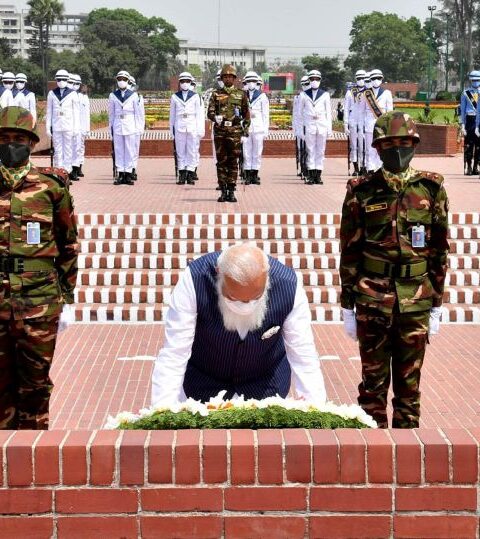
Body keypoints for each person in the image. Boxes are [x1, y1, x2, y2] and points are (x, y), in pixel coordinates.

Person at [339, 111, 450, 429]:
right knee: (371, 389)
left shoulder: (431, 189)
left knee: (409, 389)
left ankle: (407, 452)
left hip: (416, 300)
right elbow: (350, 251)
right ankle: (372, 453)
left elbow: (439, 250)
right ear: (377, 148)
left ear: (414, 145)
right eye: (389, 144)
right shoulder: (362, 191)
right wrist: (348, 305)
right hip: (373, 298)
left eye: (404, 143)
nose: (397, 150)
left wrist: (436, 304)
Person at [151, 242, 327, 406]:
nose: (246, 306)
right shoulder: (194, 279)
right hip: (203, 390)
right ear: (219, 273)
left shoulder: (289, 285)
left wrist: (316, 408)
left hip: (267, 391)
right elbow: (175, 352)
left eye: (255, 298)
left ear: (267, 278)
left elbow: (303, 354)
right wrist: (162, 409)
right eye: (233, 298)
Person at [0, 106, 78, 430]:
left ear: (32, 143)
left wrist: (66, 298)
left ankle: (33, 451)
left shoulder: (51, 186)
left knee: (35, 384)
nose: (11, 145)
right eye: (4, 138)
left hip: (39, 300)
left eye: (19, 139)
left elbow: (68, 245)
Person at [207, 64, 250, 202]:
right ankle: (223, 190)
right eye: (225, 77)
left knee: (233, 162)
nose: (227, 79)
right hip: (220, 132)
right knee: (221, 162)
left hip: (235, 132)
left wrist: (245, 132)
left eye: (230, 77)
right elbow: (210, 112)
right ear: (222, 78)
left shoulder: (241, 94)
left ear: (234, 78)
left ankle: (231, 190)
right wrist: (215, 117)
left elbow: (246, 114)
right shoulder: (216, 94)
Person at [169, 71, 205, 185]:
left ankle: (190, 173)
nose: (185, 83)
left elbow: (199, 115)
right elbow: (172, 115)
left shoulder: (195, 96)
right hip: (179, 125)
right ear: (180, 83)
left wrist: (200, 129)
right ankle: (182, 173)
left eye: (187, 81)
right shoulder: (175, 97)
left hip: (192, 125)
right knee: (180, 151)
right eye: (183, 81)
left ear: (190, 82)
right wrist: (171, 130)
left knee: (192, 150)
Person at [298, 69, 332, 185]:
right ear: (309, 80)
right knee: (310, 150)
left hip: (321, 125)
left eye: (317, 79)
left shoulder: (325, 95)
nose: (314, 81)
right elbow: (299, 114)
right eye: (312, 79)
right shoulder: (303, 95)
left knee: (321, 151)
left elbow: (328, 113)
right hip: (310, 125)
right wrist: (300, 130)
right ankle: (311, 175)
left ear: (320, 80)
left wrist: (329, 129)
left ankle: (318, 175)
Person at [108, 70, 142, 186]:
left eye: (124, 79)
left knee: (129, 150)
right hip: (118, 125)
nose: (121, 81)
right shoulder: (113, 95)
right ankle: (120, 174)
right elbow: (111, 114)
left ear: (128, 81)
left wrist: (138, 128)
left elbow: (137, 114)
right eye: (119, 79)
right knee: (118, 150)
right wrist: (111, 129)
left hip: (130, 125)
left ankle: (128, 174)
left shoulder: (133, 95)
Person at [46, 69, 80, 182]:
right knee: (58, 151)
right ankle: (58, 173)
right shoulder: (52, 93)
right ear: (56, 80)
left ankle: (67, 173)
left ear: (67, 80)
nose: (61, 81)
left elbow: (76, 113)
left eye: (63, 79)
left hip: (68, 126)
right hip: (56, 126)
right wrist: (48, 127)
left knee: (68, 150)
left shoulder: (73, 93)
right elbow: (49, 112)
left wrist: (76, 128)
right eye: (59, 79)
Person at [361, 69, 394, 173]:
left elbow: (390, 112)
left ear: (382, 79)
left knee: (381, 149)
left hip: (382, 126)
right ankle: (370, 170)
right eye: (374, 78)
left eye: (378, 78)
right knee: (370, 149)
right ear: (370, 79)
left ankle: (380, 170)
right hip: (369, 125)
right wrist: (361, 126)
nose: (376, 80)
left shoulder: (387, 93)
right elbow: (362, 112)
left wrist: (389, 127)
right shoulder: (366, 94)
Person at [242, 71, 269, 185]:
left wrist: (265, 129)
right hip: (246, 127)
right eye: (249, 81)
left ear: (257, 82)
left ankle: (255, 174)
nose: (251, 83)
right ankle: (247, 174)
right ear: (246, 82)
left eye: (253, 81)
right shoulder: (242, 95)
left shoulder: (262, 96)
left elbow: (265, 114)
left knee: (257, 152)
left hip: (258, 127)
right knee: (246, 151)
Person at [344, 70, 367, 176]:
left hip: (364, 122)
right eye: (359, 78)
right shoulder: (350, 92)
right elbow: (346, 109)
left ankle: (364, 167)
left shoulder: (368, 92)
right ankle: (356, 168)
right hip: (353, 122)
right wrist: (345, 124)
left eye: (363, 78)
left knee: (364, 146)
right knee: (354, 146)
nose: (361, 80)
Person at [71, 74, 90, 180]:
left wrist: (87, 128)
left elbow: (87, 114)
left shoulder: (84, 97)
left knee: (80, 148)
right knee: (73, 148)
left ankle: (79, 167)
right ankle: (73, 169)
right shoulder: (70, 95)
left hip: (82, 127)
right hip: (72, 127)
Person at [461, 70, 480, 175]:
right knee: (469, 144)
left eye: (477, 80)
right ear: (470, 80)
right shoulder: (465, 93)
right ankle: (468, 167)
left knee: (478, 145)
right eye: (474, 80)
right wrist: (462, 125)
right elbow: (463, 110)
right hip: (470, 120)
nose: (475, 82)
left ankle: (476, 167)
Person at [292, 75, 310, 181]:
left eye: (306, 84)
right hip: (300, 126)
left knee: (309, 149)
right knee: (301, 149)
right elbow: (295, 113)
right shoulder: (298, 97)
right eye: (303, 84)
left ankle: (309, 168)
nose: (304, 86)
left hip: (309, 126)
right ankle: (303, 168)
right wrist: (295, 127)